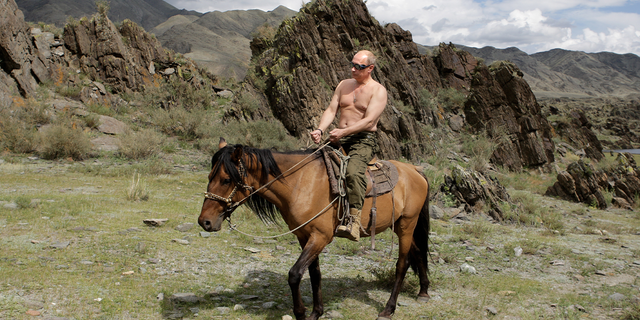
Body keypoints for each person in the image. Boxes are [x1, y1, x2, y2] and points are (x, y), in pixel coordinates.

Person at [310, 50, 388, 241]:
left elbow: (369, 121)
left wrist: (343, 132)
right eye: (352, 65)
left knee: (353, 172)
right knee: (310, 161)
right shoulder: (344, 85)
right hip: (339, 137)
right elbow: (331, 109)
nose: (353, 69)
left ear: (370, 68)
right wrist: (320, 129)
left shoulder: (378, 91)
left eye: (358, 67)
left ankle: (354, 221)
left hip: (363, 139)